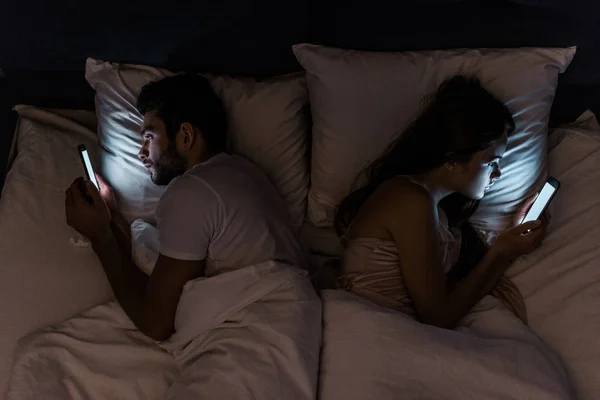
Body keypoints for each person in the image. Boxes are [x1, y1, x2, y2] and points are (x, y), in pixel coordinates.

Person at [64, 74, 308, 341]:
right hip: (294, 325)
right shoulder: (245, 173)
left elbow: (156, 323)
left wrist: (99, 236)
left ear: (186, 135)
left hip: (254, 336)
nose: (141, 153)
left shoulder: (191, 191)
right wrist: (112, 218)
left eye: (149, 137)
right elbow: (170, 273)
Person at [335, 76, 548, 329]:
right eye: (491, 162)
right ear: (452, 159)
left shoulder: (436, 208)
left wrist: (508, 240)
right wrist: (503, 252)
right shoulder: (411, 200)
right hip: (374, 328)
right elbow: (438, 316)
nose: (497, 174)